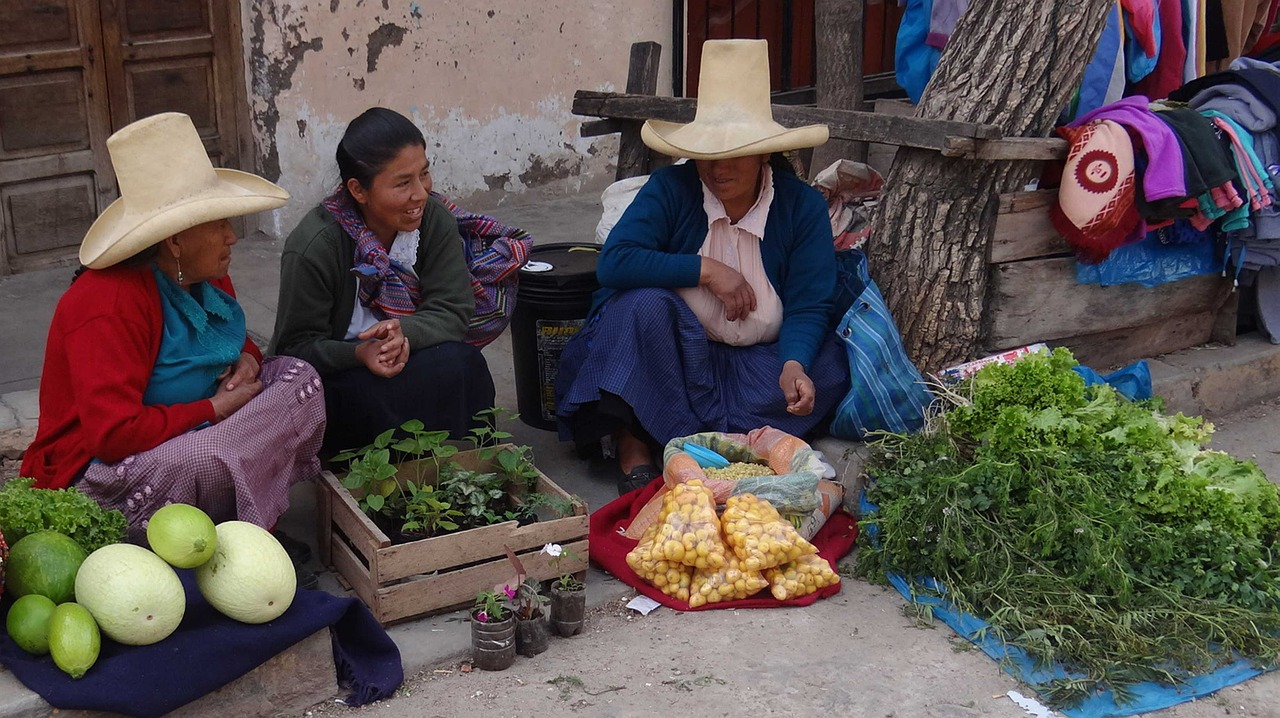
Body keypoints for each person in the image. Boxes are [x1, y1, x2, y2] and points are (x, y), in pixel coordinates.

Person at [20, 113, 327, 559]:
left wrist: (247, 362)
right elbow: (114, 435)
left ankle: (239, 523)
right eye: (218, 224)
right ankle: (220, 543)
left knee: (300, 379)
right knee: (205, 456)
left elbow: (229, 340)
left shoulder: (204, 274)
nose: (231, 237)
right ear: (175, 242)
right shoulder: (107, 304)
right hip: (111, 467)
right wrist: (214, 408)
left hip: (199, 424)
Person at [554, 39, 852, 494]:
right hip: (676, 356)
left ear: (764, 154)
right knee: (638, 310)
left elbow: (811, 303)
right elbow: (615, 263)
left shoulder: (801, 207)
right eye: (708, 154)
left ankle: (715, 442)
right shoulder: (671, 189)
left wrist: (794, 363)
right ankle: (635, 446)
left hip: (759, 363)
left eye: (735, 153)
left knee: (830, 363)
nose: (718, 168)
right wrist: (706, 270)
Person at [271, 107, 496, 452]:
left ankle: (475, 467)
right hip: (344, 372)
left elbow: (451, 311)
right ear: (358, 191)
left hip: (409, 353)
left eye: (424, 174)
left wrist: (401, 335)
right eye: (403, 183)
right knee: (361, 398)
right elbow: (295, 349)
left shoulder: (433, 220)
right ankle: (369, 486)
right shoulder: (315, 246)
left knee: (464, 365)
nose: (420, 194)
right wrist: (361, 353)